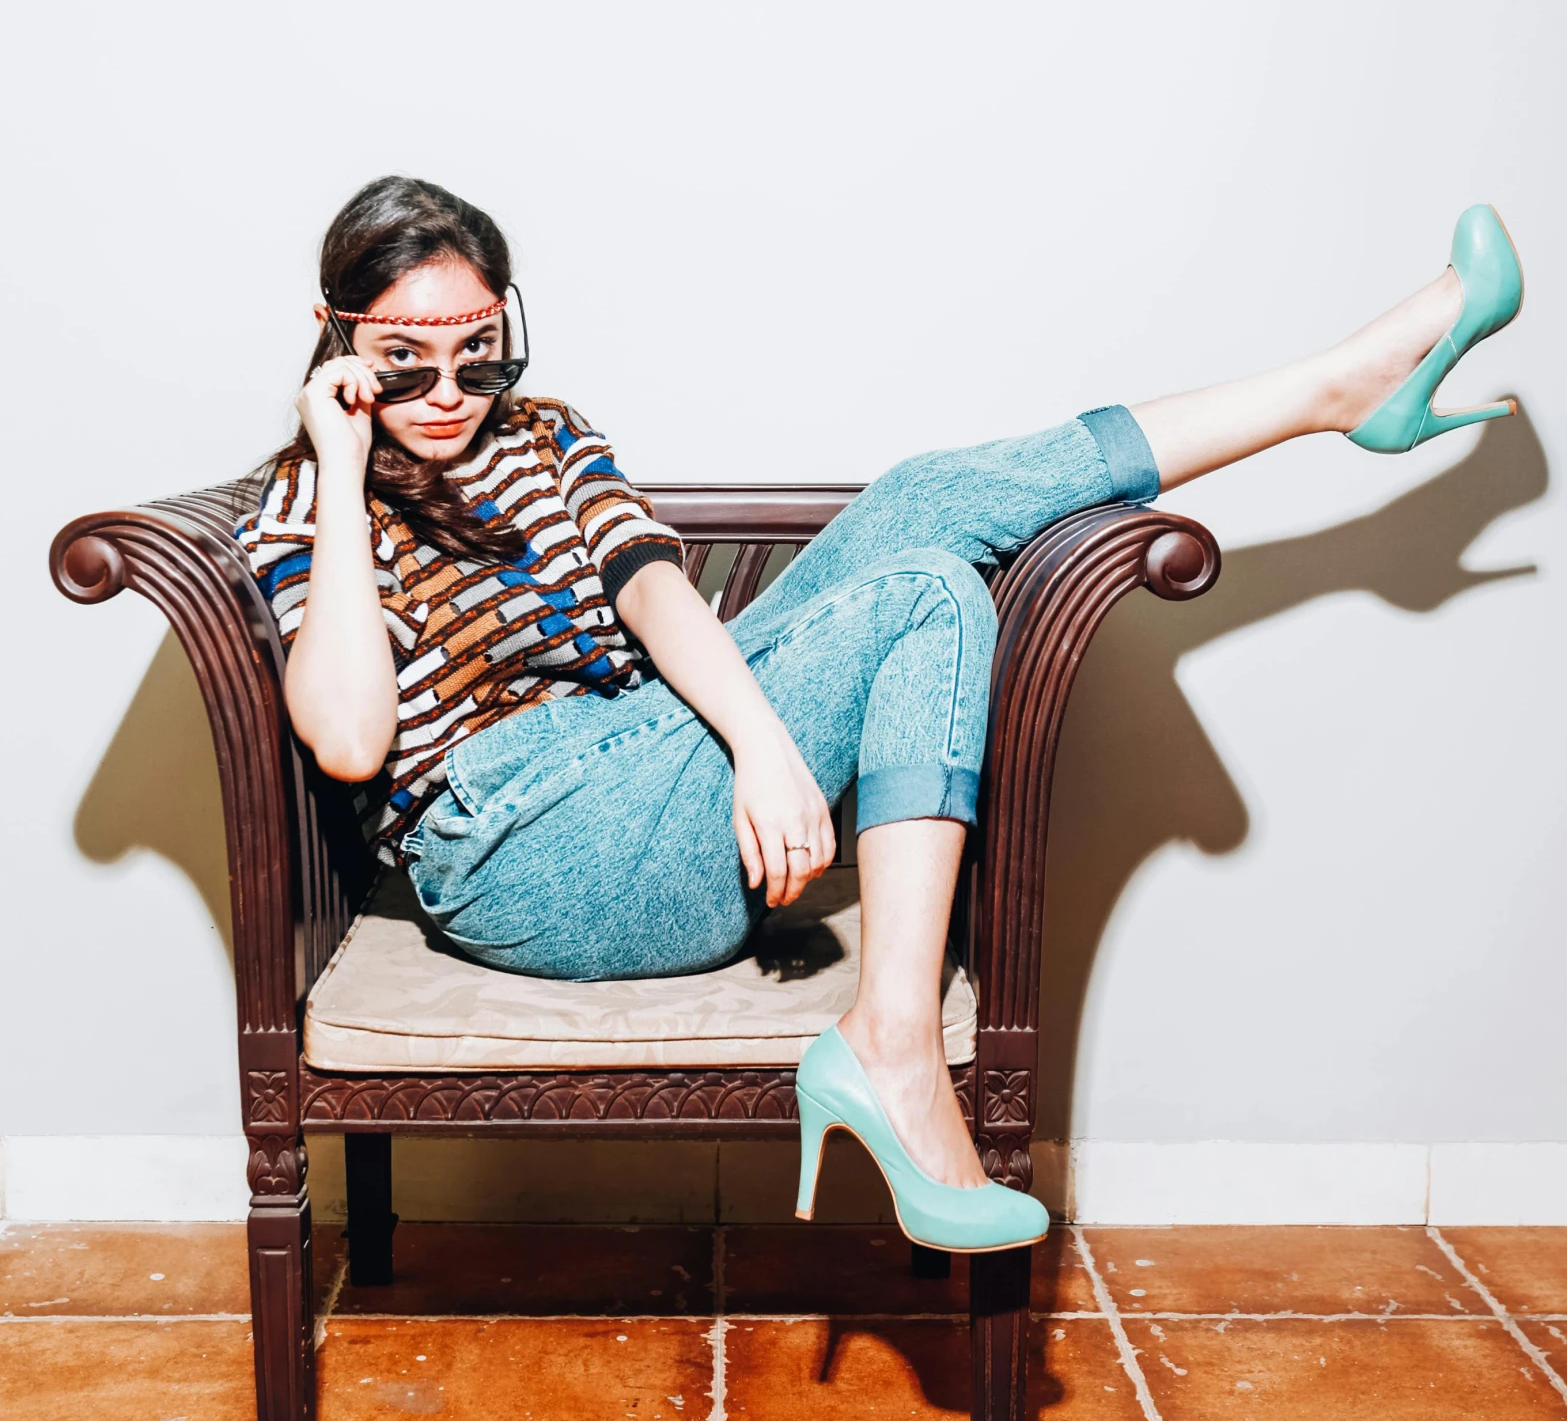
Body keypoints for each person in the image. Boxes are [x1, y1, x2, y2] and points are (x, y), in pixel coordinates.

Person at [237, 175, 1524, 1253]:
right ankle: (893, 1049)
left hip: (650, 784)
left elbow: (655, 595)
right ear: (337, 338)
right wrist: (345, 471)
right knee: (921, 596)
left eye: (480, 351)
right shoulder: (304, 502)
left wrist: (758, 742)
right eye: (405, 362)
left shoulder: (552, 437)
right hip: (519, 857)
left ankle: (1330, 391)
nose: (451, 391)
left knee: (920, 506)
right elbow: (350, 741)